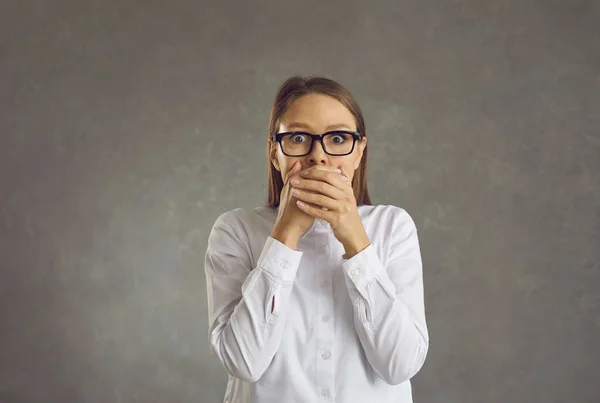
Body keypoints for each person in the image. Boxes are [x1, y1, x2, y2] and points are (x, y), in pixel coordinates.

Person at [204, 76, 428, 403]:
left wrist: (355, 241)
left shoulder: (393, 227)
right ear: (274, 152)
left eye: (338, 138)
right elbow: (243, 362)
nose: (318, 156)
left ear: (359, 152)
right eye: (297, 138)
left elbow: (400, 365)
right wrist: (285, 234)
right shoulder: (235, 230)